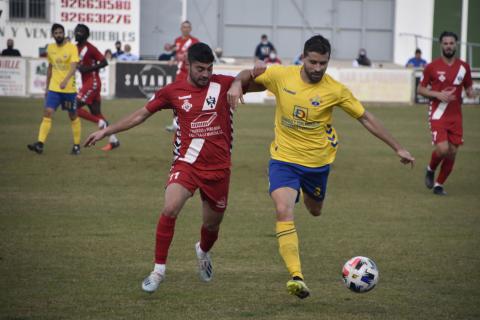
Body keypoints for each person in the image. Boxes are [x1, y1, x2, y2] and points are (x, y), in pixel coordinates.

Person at [227, 35, 415, 299]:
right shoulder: (283, 75)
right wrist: (237, 83)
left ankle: (306, 195)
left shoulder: (334, 90)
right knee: (283, 210)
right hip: (284, 159)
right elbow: (249, 74)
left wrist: (398, 147)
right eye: (312, 62)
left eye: (322, 63)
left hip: (317, 164)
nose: (317, 68)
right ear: (302, 57)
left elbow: (366, 117)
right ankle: (297, 276)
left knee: (315, 210)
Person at [84, 42, 251, 293]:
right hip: (187, 163)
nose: (205, 74)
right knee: (170, 207)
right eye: (200, 69)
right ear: (188, 66)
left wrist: (239, 80)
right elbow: (141, 115)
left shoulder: (223, 84)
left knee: (211, 226)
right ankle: (158, 270)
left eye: (209, 68)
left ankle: (203, 251)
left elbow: (254, 78)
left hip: (218, 168)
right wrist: (107, 130)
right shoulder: (173, 91)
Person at [417, 31, 474, 195]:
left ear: (456, 45)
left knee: (452, 152)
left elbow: (469, 90)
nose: (448, 46)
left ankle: (439, 185)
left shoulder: (464, 67)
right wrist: (437, 94)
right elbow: (420, 89)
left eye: (451, 43)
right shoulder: (432, 67)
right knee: (442, 149)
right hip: (438, 114)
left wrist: (472, 93)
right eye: (445, 43)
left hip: (456, 116)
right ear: (440, 45)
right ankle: (430, 168)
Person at [27, 23, 81, 155]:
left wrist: (65, 80)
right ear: (52, 35)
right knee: (47, 113)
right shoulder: (50, 48)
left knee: (73, 116)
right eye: (56, 33)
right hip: (54, 89)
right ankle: (40, 144)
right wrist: (47, 87)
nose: (58, 35)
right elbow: (50, 68)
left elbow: (73, 67)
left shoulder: (72, 48)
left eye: (60, 33)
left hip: (68, 90)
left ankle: (76, 145)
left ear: (64, 33)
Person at [74, 24, 120, 151]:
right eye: (76, 31)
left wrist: (87, 69)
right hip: (88, 83)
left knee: (73, 107)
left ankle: (99, 123)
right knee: (96, 112)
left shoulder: (90, 48)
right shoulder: (75, 48)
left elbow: (104, 62)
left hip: (92, 82)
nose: (78, 33)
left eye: (81, 31)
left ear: (86, 35)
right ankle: (114, 140)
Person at [164, 20, 199, 132]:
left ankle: (192, 122)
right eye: (184, 27)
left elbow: (197, 56)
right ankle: (175, 123)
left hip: (190, 74)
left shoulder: (194, 41)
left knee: (191, 99)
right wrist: (172, 59)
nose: (186, 29)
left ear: (190, 29)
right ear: (181, 28)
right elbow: (176, 53)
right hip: (180, 74)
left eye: (188, 27)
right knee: (176, 98)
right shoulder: (177, 40)